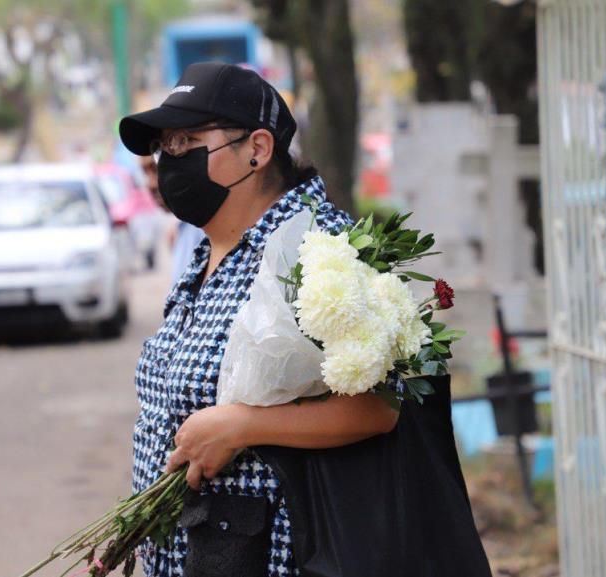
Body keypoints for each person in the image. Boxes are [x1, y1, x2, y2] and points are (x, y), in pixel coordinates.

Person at [119, 62, 401, 577]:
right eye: (165, 145)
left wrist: (244, 425)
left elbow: (379, 408)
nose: (169, 160)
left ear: (258, 148)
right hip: (190, 554)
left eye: (187, 141)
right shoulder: (208, 252)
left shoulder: (318, 252)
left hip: (272, 555)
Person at [138, 153, 206, 287]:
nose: (151, 184)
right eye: (145, 173)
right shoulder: (182, 229)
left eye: (156, 169)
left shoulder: (208, 229)